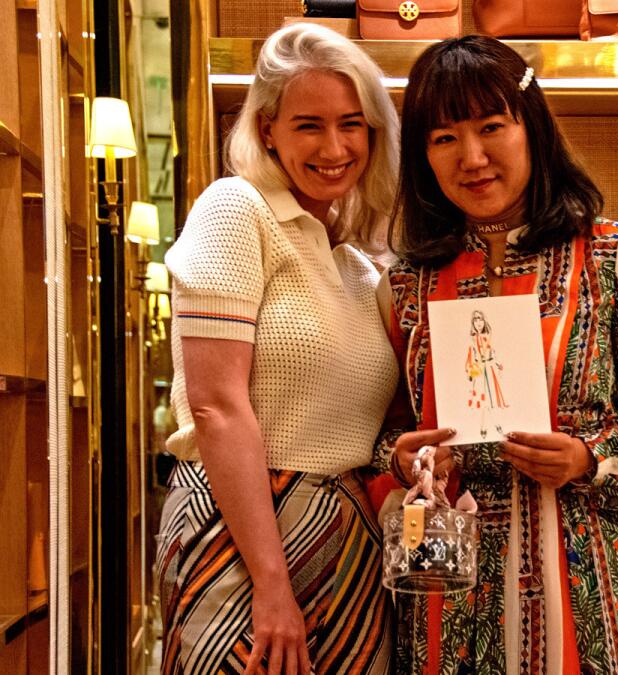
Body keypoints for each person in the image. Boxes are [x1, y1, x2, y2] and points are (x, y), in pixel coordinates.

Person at [372, 35, 618, 675]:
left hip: (584, 596)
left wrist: (589, 458)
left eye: (492, 127)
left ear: (532, 128)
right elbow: (385, 432)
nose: (472, 157)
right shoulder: (403, 283)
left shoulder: (610, 255)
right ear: (422, 156)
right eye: (443, 138)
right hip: (443, 599)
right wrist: (401, 456)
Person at [154, 23, 400, 675]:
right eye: (309, 125)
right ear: (267, 128)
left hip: (347, 542)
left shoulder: (358, 267)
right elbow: (215, 408)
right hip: (238, 538)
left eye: (352, 123)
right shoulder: (235, 210)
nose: (335, 146)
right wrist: (270, 580)